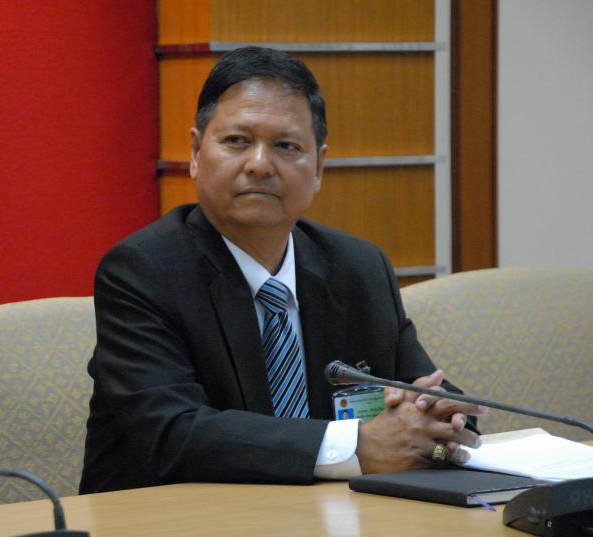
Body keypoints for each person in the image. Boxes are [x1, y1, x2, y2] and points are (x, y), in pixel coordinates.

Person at [79, 46, 485, 494]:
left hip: (331, 515)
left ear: (319, 167)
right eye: (237, 141)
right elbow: (174, 432)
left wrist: (440, 419)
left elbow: (425, 392)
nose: (259, 164)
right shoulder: (143, 271)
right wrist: (356, 444)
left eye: (286, 146)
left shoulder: (358, 268)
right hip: (171, 516)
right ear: (195, 152)